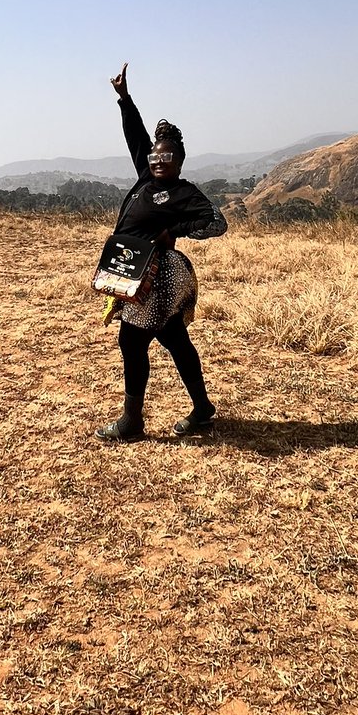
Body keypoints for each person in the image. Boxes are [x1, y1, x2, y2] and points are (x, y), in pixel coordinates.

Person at [96, 63, 228, 442]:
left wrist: (173, 231)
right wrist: (124, 99)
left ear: (179, 162)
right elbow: (136, 138)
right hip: (137, 269)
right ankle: (202, 409)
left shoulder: (183, 191)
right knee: (174, 339)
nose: (157, 161)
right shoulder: (145, 177)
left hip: (157, 275)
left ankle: (131, 423)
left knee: (131, 341)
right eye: (154, 157)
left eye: (165, 158)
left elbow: (216, 222)